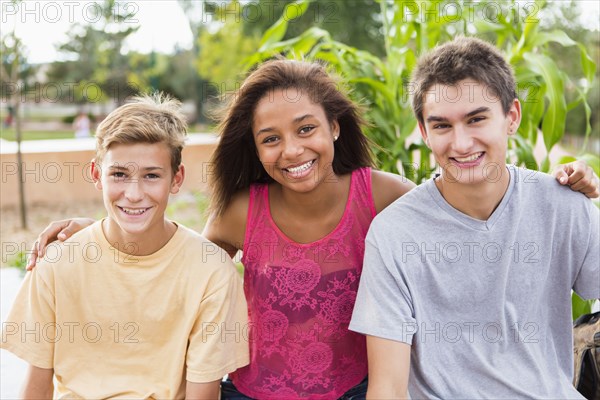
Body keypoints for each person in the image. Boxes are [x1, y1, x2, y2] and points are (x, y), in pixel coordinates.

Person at [25, 60, 598, 399]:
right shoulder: (239, 211)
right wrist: (102, 228)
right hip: (247, 394)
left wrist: (556, 185)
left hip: (355, 391)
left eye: (306, 129)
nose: (292, 150)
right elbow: (178, 259)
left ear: (335, 128)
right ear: (254, 148)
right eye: (270, 139)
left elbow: (461, 189)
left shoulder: (382, 195)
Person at [349, 36, 600, 399]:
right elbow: (387, 387)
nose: (462, 143)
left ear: (511, 116)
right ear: (423, 131)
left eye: (476, 119)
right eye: (442, 126)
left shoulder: (564, 206)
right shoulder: (394, 234)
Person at [1, 93, 249, 398]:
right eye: (119, 174)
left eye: (151, 176)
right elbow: (36, 387)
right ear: (96, 175)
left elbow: (203, 394)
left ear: (176, 178)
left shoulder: (211, 271)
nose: (134, 193)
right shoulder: (57, 263)